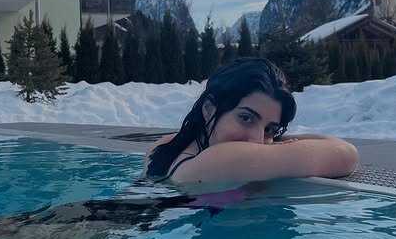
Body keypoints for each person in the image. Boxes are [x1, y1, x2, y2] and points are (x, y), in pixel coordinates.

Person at [144, 57, 359, 185]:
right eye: (246, 118)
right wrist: (280, 146)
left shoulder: (163, 146)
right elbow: (347, 155)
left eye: (270, 129)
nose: (257, 141)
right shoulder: (218, 160)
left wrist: (275, 142)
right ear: (209, 109)